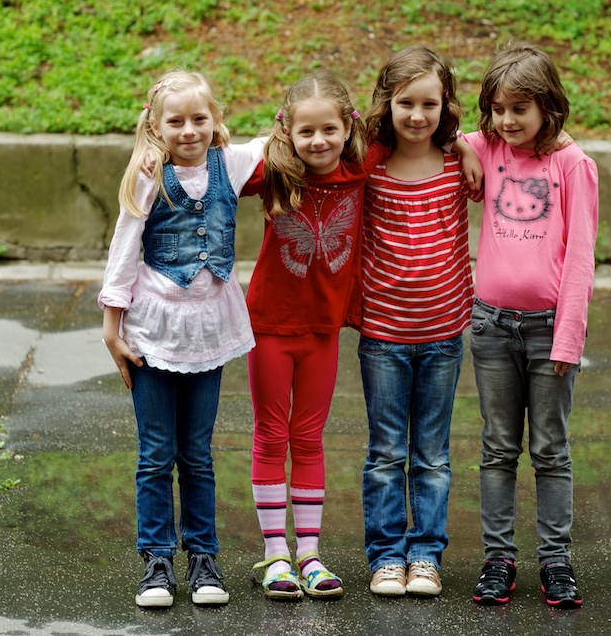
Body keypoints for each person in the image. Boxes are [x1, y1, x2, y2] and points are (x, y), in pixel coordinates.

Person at [99, 69, 264, 608]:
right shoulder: (148, 174)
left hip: (207, 328)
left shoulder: (230, 163)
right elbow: (125, 247)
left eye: (199, 118)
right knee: (155, 454)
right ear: (156, 126)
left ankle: (204, 559)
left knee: (197, 453)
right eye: (176, 121)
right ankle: (157, 562)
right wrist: (111, 328)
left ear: (216, 120)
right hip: (153, 329)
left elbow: (280, 139)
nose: (189, 130)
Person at [462, 42, 599, 609]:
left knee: (550, 450)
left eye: (519, 109)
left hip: (548, 331)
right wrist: (464, 145)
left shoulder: (572, 165)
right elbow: (432, 131)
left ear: (549, 107)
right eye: (497, 109)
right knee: (497, 448)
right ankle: (498, 560)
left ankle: (556, 561)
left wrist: (569, 336)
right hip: (491, 328)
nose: (506, 120)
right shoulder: (487, 147)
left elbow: (581, 255)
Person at [357, 46, 483, 598]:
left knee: (432, 455)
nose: (417, 115)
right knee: (386, 454)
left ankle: (426, 554)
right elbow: (318, 135)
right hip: (383, 335)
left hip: (443, 335)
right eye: (405, 102)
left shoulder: (459, 164)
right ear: (386, 104)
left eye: (429, 104)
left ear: (445, 105)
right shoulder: (368, 164)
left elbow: (523, 139)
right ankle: (387, 556)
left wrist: (463, 142)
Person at [241, 70, 371, 601]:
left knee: (310, 437)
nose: (318, 141)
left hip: (322, 328)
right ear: (287, 132)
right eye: (305, 131)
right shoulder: (273, 173)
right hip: (270, 325)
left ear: (348, 127)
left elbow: (427, 136)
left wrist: (466, 145)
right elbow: (215, 164)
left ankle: (310, 555)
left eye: (329, 130)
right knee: (272, 435)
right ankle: (276, 555)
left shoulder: (362, 168)